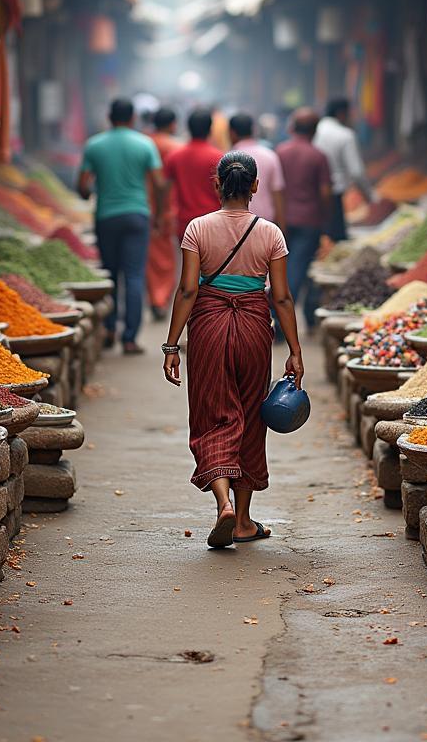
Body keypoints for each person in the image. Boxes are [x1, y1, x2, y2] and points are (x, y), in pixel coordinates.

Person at [162, 151, 304, 549]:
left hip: (208, 326)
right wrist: (294, 350)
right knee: (250, 415)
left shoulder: (197, 228)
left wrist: (172, 345)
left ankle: (222, 503)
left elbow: (189, 289)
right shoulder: (271, 233)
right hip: (255, 328)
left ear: (217, 184)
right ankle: (242, 520)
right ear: (255, 186)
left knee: (213, 414)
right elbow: (282, 298)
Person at [77, 98, 167, 354]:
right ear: (132, 118)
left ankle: (109, 329)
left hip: (107, 216)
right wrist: (159, 214)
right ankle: (129, 338)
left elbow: (83, 185)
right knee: (135, 276)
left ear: (109, 116)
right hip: (138, 215)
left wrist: (92, 192)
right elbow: (159, 183)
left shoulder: (94, 145)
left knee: (111, 272)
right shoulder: (144, 144)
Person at [276, 108, 332, 322]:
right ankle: (283, 318)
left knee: (284, 267)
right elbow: (325, 192)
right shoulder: (317, 156)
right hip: (310, 219)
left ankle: (282, 317)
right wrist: (325, 215)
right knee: (299, 269)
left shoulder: (280, 151)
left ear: (292, 127)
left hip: (282, 219)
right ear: (315, 130)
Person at [314, 97, 371, 242]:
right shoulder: (345, 134)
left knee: (319, 240)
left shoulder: (314, 131)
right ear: (341, 113)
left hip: (311, 193)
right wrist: (369, 196)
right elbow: (356, 171)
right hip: (334, 193)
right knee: (335, 239)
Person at [163, 108, 223, 240]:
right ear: (210, 130)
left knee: (189, 260)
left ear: (188, 128)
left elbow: (165, 190)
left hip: (185, 223)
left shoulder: (174, 156)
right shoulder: (218, 157)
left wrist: (163, 216)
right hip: (213, 222)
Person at [145, 107, 181, 320]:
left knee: (152, 257)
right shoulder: (175, 147)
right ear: (172, 124)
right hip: (168, 208)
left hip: (146, 205)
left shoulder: (145, 143)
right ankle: (162, 298)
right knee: (167, 257)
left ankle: (154, 298)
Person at [229, 112, 286, 231]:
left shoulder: (228, 158)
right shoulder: (270, 156)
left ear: (232, 132)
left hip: (236, 225)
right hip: (266, 223)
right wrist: (282, 227)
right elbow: (277, 193)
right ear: (253, 130)